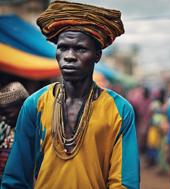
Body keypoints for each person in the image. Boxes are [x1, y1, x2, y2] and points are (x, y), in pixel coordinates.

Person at [1, 1, 139, 189]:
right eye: (63, 48)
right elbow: (16, 178)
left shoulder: (120, 110)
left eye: (80, 49)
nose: (69, 56)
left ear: (97, 55)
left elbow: (124, 182)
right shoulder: (35, 104)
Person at [0, 82, 29, 182]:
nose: (3, 118)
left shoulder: (35, 131)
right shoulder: (4, 128)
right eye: (1, 114)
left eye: (7, 113)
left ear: (23, 107)